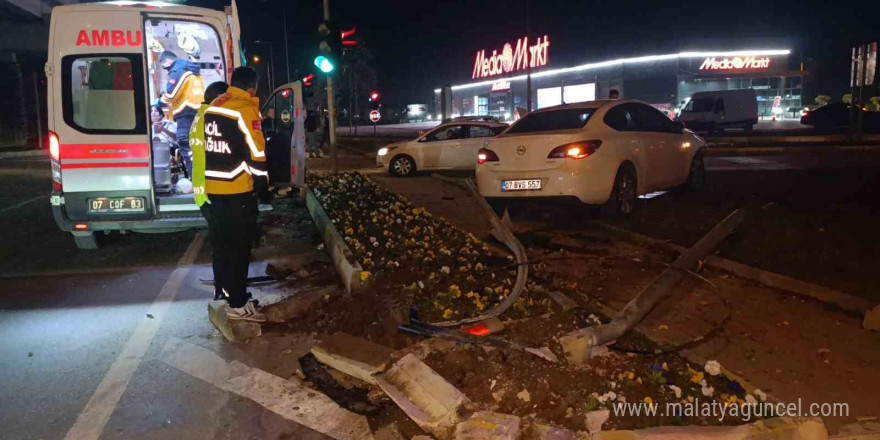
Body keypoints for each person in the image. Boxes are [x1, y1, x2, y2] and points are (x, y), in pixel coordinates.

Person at [192, 67, 269, 322]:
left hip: (215, 188)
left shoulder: (214, 105)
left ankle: (227, 294)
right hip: (237, 190)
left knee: (223, 246)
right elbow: (256, 153)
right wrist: (263, 184)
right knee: (239, 249)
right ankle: (238, 305)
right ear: (253, 87)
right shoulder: (244, 108)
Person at [159, 50, 205, 179]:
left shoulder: (177, 69)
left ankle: (195, 177)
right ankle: (198, 176)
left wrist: (160, 101)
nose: (166, 71)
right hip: (197, 111)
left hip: (186, 111)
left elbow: (171, 93)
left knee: (184, 142)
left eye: (165, 67)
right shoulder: (191, 70)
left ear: (168, 61)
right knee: (195, 145)